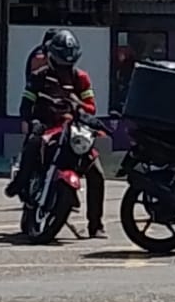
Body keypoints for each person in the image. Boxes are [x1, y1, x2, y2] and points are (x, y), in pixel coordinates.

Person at [8, 29, 107, 238]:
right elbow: (26, 105)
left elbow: (91, 107)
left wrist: (77, 104)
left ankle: (96, 224)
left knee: (97, 173)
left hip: (73, 130)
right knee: (33, 143)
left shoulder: (81, 78)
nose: (64, 68)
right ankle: (20, 183)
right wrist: (32, 121)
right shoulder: (38, 77)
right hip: (45, 127)